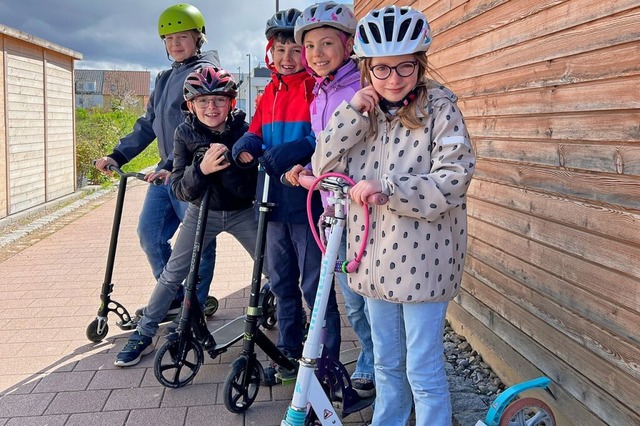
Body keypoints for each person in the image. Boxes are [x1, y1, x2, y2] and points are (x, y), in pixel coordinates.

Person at [311, 5, 476, 425]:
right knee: (386, 365)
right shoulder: (362, 114)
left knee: (423, 369)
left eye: (405, 67)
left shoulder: (440, 110)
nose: (393, 79)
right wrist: (351, 113)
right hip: (371, 261)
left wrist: (391, 191)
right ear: (366, 69)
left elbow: (454, 177)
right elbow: (322, 167)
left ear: (420, 64)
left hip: (425, 261)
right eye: (381, 69)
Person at [114, 67, 259, 367]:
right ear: (190, 106)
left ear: (231, 103)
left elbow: (249, 186)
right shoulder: (185, 133)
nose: (211, 108)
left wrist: (234, 163)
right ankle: (145, 331)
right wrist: (202, 169)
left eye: (219, 100)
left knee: (274, 267)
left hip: (242, 212)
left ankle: (290, 322)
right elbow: (180, 188)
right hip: (201, 212)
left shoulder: (243, 132)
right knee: (172, 274)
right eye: (202, 101)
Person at [232, 8, 341, 383]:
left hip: (307, 200)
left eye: (295, 50)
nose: (288, 58)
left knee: (315, 286)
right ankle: (290, 353)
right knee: (281, 283)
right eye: (280, 51)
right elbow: (257, 129)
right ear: (270, 52)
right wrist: (247, 143)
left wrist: (293, 150)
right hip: (272, 200)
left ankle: (326, 361)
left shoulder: (315, 87)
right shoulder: (271, 90)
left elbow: (322, 136)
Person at [95, 3, 218, 317]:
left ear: (198, 39)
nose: (175, 44)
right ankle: (175, 296)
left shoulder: (206, 74)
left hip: (192, 173)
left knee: (197, 247)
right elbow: (149, 123)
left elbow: (202, 127)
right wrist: (118, 154)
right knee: (150, 235)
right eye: (169, 39)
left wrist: (167, 166)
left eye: (183, 37)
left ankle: (195, 306)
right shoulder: (165, 78)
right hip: (165, 176)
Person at [286, 1, 375, 398]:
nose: (316, 54)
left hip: (366, 210)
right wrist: (303, 169)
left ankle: (384, 367)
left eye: (326, 44)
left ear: (348, 44)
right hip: (332, 211)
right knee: (353, 301)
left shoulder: (361, 86)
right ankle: (371, 360)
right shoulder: (319, 92)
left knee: (372, 299)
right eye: (309, 47)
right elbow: (326, 146)